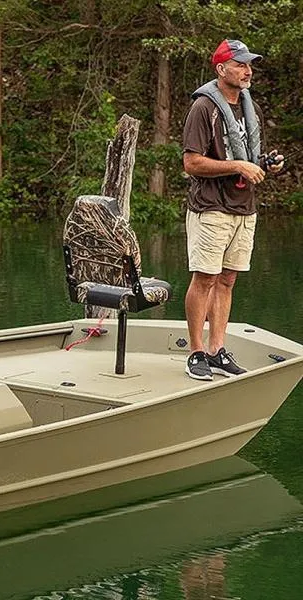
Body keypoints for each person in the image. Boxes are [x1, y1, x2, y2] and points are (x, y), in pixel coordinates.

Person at [182, 39, 284, 381]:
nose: (247, 70)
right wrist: (238, 166)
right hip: (211, 207)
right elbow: (192, 163)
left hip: (244, 208)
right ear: (220, 69)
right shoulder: (203, 107)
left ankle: (216, 350)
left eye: (249, 64)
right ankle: (196, 352)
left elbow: (250, 160)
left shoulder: (248, 106)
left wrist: (266, 165)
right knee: (205, 278)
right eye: (240, 64)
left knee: (227, 280)